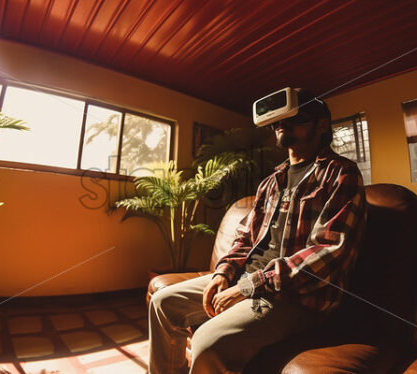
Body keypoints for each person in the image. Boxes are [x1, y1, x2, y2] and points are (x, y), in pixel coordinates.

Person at [148, 89, 367, 374]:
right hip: (244, 280)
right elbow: (246, 238)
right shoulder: (270, 181)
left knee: (205, 341)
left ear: (321, 124)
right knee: (162, 302)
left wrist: (250, 286)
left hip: (293, 297)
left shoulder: (341, 173)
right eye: (277, 120)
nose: (280, 124)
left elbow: (330, 251)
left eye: (294, 118)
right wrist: (223, 274)